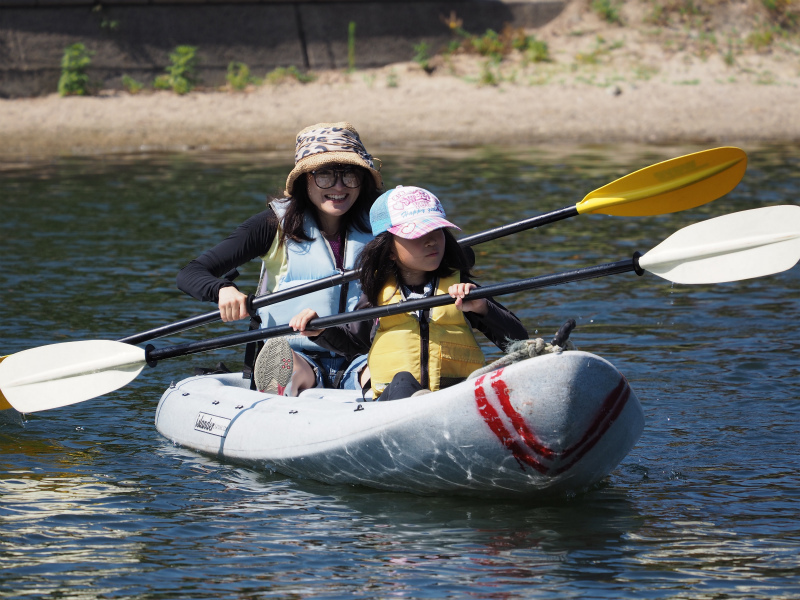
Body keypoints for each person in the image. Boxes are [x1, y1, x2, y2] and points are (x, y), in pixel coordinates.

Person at [176, 122, 382, 395]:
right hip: (298, 354)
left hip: (363, 356)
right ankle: (279, 391)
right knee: (290, 367)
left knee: (388, 368)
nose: (339, 187)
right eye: (325, 175)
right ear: (304, 179)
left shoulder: (383, 226)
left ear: (363, 180)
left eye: (350, 176)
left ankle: (393, 393)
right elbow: (191, 273)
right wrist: (222, 289)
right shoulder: (272, 225)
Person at [285, 185, 529, 400]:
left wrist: (482, 308)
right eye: (417, 234)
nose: (432, 241)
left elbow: (519, 341)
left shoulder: (461, 288)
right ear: (389, 249)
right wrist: (321, 331)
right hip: (395, 404)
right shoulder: (378, 295)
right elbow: (354, 343)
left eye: (437, 231)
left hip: (455, 399)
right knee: (402, 379)